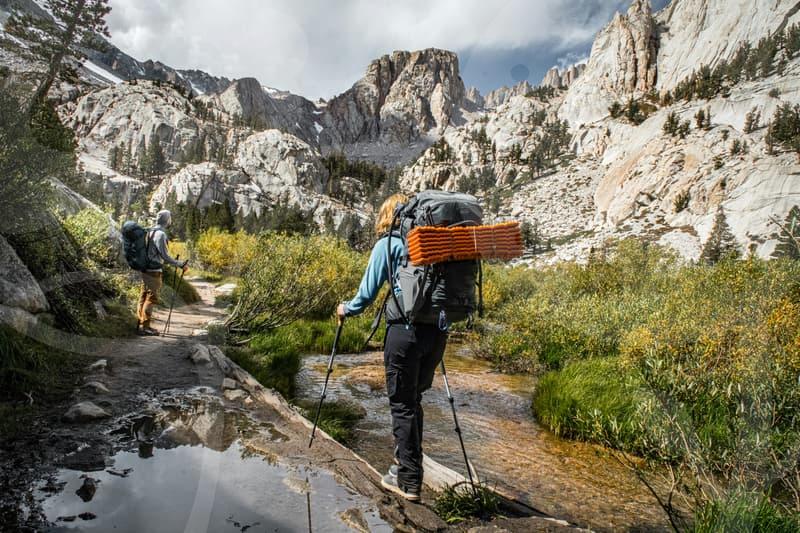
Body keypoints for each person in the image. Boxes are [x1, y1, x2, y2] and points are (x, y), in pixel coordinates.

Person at [336, 193, 448, 502]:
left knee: (402, 405)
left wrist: (346, 309)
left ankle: (408, 481)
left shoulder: (389, 244)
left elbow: (367, 294)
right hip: (437, 333)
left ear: (387, 216)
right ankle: (407, 468)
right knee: (415, 400)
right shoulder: (430, 242)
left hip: (405, 333)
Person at [136, 210, 188, 336]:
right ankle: (146, 327)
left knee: (143, 296)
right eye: (170, 218)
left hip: (144, 269)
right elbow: (165, 256)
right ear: (167, 220)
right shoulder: (161, 235)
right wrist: (180, 264)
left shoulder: (149, 232)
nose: (170, 220)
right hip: (154, 271)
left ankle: (139, 325)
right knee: (151, 298)